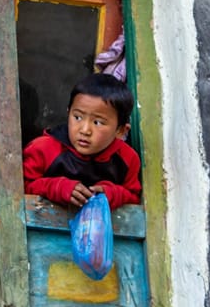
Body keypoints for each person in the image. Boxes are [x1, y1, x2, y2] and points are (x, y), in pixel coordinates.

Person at [22, 73, 141, 210]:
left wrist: (111, 194)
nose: (85, 130)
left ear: (121, 130)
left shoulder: (127, 159)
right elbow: (21, 187)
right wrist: (59, 187)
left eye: (97, 122)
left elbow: (134, 197)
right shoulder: (43, 148)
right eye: (77, 117)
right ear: (68, 113)